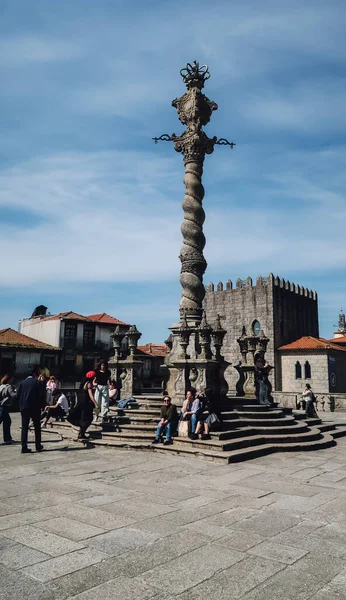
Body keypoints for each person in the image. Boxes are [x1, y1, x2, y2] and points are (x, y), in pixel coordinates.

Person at [17, 365, 45, 453]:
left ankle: (24, 446)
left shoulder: (22, 383)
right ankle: (38, 445)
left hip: (24, 407)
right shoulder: (37, 383)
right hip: (35, 408)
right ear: (34, 373)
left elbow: (18, 395)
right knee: (37, 427)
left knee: (24, 428)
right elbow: (41, 395)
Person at [67, 371, 99, 439]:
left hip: (81, 403)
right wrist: (96, 404)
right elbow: (91, 395)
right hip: (86, 403)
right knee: (88, 419)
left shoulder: (84, 383)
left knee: (82, 418)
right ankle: (82, 433)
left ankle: (81, 434)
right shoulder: (89, 384)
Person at [0, 373, 17, 444]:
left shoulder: (1, 386)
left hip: (1, 405)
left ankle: (7, 438)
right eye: (12, 378)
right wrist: (17, 392)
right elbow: (13, 395)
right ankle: (7, 439)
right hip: (5, 405)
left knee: (6, 421)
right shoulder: (9, 386)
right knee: (7, 421)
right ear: (9, 379)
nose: (13, 380)